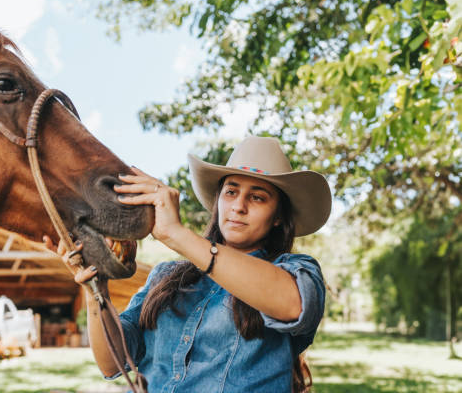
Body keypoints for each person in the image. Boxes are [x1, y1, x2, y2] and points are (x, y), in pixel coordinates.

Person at [46, 136, 331, 392]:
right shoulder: (166, 277)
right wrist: (96, 288)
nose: (239, 206)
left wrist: (176, 234)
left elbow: (293, 305)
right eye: (231, 192)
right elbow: (113, 362)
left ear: (278, 216)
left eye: (257, 197)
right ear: (218, 200)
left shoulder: (296, 271)